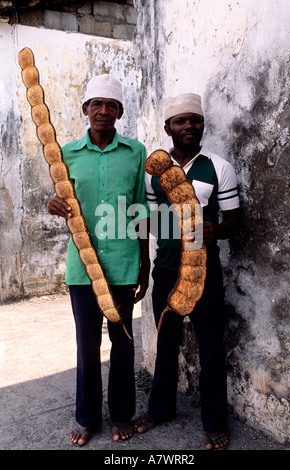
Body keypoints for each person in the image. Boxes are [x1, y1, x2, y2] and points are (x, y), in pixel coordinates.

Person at [47, 74, 150, 446]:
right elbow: (60, 197)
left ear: (119, 112)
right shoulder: (66, 153)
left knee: (122, 343)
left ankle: (122, 413)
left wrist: (145, 264)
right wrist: (53, 204)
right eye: (96, 105)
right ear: (86, 110)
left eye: (111, 105)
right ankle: (87, 416)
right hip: (83, 268)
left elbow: (140, 209)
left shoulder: (135, 152)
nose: (103, 111)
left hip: (123, 263)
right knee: (86, 344)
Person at [135, 93, 240, 450]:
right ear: (168, 128)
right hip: (165, 271)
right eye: (180, 121)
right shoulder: (154, 174)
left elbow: (233, 220)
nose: (188, 127)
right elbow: (149, 220)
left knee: (211, 349)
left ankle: (214, 423)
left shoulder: (219, 167)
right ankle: (159, 410)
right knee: (166, 344)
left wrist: (218, 230)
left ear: (202, 125)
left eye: (194, 120)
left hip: (205, 275)